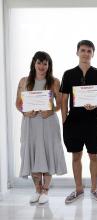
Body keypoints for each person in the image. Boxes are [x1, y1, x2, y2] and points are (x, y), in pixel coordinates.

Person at [16, 51, 67, 204]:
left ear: (49, 66)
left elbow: (60, 104)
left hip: (48, 122)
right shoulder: (24, 81)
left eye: (45, 63)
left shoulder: (55, 82)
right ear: (34, 63)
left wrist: (50, 110)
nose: (42, 66)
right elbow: (18, 103)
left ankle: (45, 190)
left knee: (48, 152)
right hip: (30, 123)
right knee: (32, 153)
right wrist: (25, 111)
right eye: (39, 62)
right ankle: (37, 190)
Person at [60, 40, 97, 204]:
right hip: (74, 122)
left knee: (93, 155)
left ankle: (94, 189)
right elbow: (64, 99)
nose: (86, 53)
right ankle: (78, 189)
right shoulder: (68, 74)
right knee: (76, 156)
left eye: (89, 51)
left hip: (93, 120)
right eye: (83, 50)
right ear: (77, 52)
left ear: (93, 53)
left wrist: (95, 103)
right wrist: (64, 121)